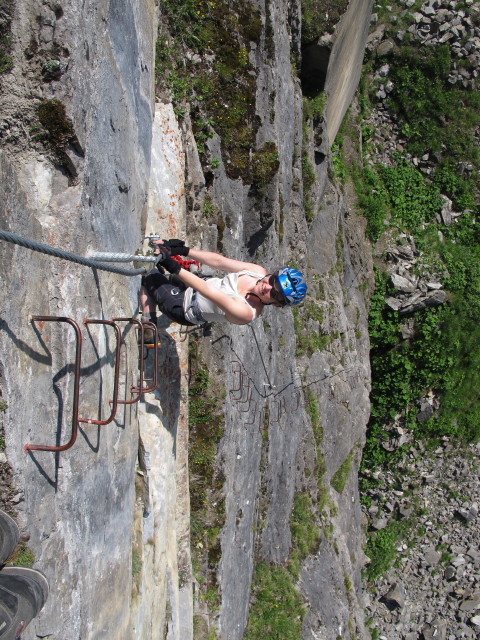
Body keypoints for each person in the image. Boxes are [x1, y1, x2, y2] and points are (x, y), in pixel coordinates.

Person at [139, 239, 307, 331]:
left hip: (184, 308)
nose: (268, 287)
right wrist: (182, 251)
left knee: (149, 273)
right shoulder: (257, 271)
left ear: (276, 304)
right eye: (273, 281)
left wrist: (174, 266)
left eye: (275, 294)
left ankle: (148, 327)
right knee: (166, 273)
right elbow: (219, 262)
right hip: (198, 284)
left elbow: (209, 292)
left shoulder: (246, 313)